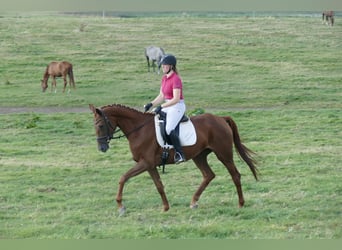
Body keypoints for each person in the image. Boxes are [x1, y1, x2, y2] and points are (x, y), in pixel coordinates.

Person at [144, 54, 186, 164]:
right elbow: (162, 96)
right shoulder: (164, 78)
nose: (162, 67)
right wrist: (151, 104)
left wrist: (161, 107)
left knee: (168, 129)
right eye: (162, 65)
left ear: (171, 66)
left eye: (165, 65)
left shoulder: (176, 79)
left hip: (177, 106)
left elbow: (176, 99)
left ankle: (179, 153)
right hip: (168, 105)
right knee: (153, 119)